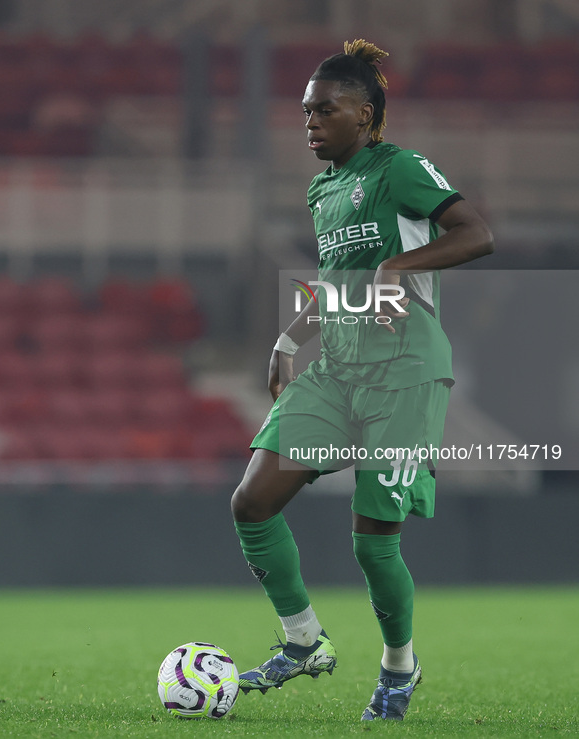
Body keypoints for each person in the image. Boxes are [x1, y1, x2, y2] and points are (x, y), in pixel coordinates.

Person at [231, 39, 494, 721]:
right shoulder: (322, 189)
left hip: (404, 370)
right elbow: (336, 282)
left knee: (372, 542)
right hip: (338, 368)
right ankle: (301, 642)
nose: (310, 122)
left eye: (325, 110)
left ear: (367, 114)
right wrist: (289, 338)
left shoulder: (399, 168)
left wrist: (396, 271)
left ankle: (398, 665)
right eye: (304, 112)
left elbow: (475, 233)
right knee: (252, 501)